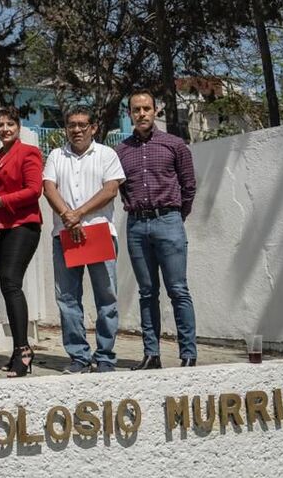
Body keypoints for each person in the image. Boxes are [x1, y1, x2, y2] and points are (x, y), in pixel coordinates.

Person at [116, 89, 198, 369]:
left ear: (155, 111)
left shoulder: (175, 145)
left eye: (146, 109)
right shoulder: (121, 151)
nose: (141, 114)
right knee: (147, 292)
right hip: (137, 225)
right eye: (136, 109)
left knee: (178, 289)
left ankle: (188, 355)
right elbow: (119, 188)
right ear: (129, 114)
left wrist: (175, 217)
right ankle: (152, 355)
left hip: (169, 221)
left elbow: (189, 187)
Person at [42, 106, 126, 373]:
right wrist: (68, 216)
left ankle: (104, 357)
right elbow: (48, 188)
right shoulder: (56, 155)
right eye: (71, 125)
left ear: (93, 128)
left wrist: (78, 213)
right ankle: (78, 356)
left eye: (82, 125)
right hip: (65, 235)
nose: (77, 130)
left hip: (98, 232)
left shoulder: (107, 154)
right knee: (67, 298)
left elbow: (111, 189)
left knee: (106, 298)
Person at [0, 106, 43, 377]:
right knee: (7, 287)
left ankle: (23, 350)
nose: (5, 129)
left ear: (18, 127)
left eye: (10, 124)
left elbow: (34, 190)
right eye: (1, 125)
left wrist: (2, 200)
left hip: (22, 225)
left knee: (10, 282)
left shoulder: (28, 153)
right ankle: (19, 350)